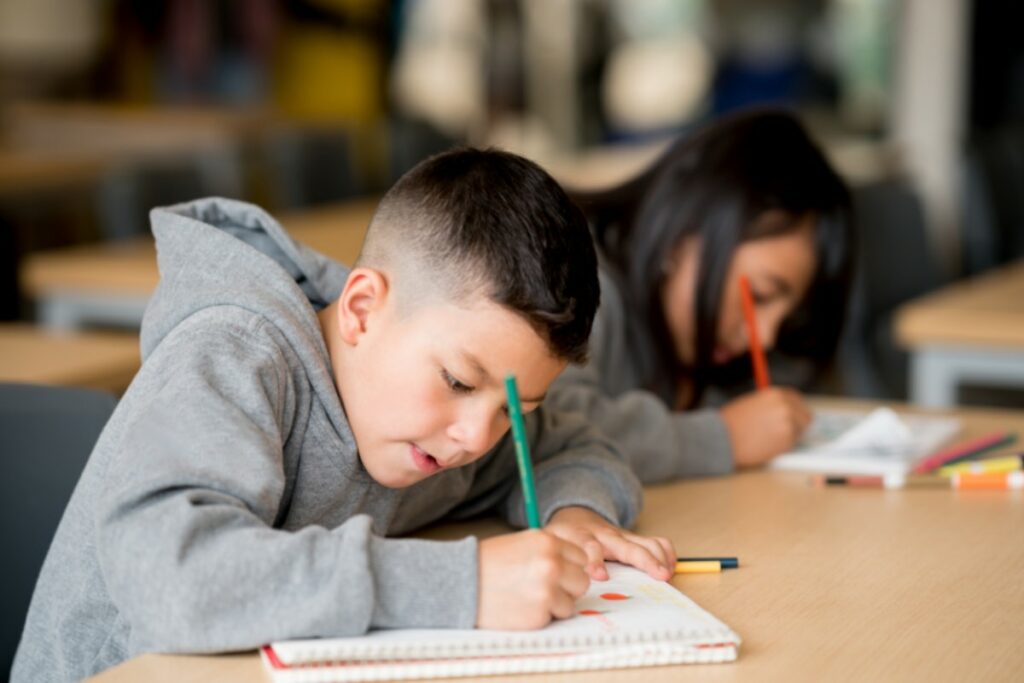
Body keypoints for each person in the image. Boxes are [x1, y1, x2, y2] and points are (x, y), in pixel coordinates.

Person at [12, 148, 676, 682]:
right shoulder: (236, 356)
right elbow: (172, 578)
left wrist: (575, 514)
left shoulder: (438, 421)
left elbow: (572, 444)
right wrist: (461, 584)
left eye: (514, 410)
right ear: (360, 308)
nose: (477, 436)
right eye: (457, 381)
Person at [548, 108, 854, 483]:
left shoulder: (696, 343)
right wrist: (723, 437)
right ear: (683, 236)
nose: (768, 333)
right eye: (759, 295)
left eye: (786, 314)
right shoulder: (572, 278)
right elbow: (546, 430)